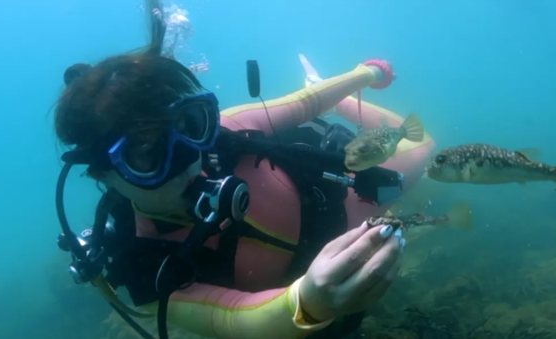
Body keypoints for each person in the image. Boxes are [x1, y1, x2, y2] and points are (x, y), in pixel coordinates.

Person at [53, 1, 436, 339]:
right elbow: (234, 321)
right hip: (299, 294)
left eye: (191, 127)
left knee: (425, 147)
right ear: (102, 173)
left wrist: (365, 74)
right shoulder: (143, 264)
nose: (188, 158)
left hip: (340, 204)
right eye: (149, 154)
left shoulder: (225, 132)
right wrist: (308, 301)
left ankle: (349, 109)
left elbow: (305, 102)